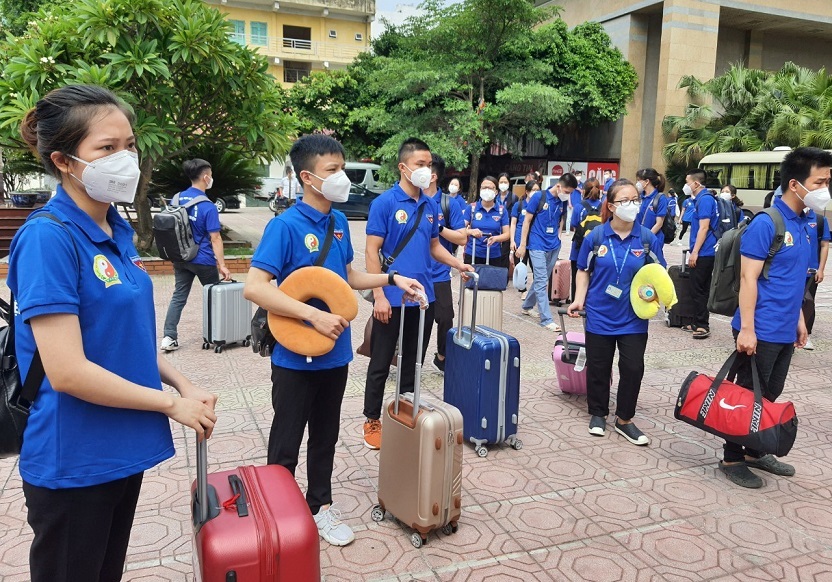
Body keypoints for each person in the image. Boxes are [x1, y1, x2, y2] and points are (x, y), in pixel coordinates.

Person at [10, 84, 218, 582]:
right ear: (64, 160)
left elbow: (125, 338)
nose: (125, 160)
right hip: (74, 456)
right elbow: (68, 371)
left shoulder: (114, 230)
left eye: (129, 145)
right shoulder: (48, 238)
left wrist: (182, 383)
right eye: (106, 149)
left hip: (121, 445)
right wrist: (171, 405)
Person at [244, 135, 423, 545]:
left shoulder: (338, 223)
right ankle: (279, 515)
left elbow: (348, 278)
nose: (342, 177)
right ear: (307, 177)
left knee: (325, 437)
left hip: (335, 354)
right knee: (286, 440)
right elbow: (254, 287)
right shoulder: (284, 226)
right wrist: (312, 315)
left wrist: (394, 279)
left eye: (342, 168)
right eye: (332, 171)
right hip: (294, 358)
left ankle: (320, 506)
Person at [721, 147, 832, 488]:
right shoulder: (767, 223)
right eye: (821, 181)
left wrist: (799, 317)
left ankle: (754, 448)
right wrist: (748, 330)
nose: (826, 188)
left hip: (785, 327)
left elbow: (795, 276)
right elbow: (748, 279)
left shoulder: (809, 223)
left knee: (769, 392)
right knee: (746, 395)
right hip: (760, 327)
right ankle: (732, 457)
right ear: (796, 184)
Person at [362, 138, 473, 450]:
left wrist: (458, 264)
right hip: (393, 297)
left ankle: (404, 407)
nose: (426, 170)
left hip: (422, 298)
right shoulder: (384, 204)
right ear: (403, 167)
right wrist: (380, 295)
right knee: (381, 361)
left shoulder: (431, 204)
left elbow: (435, 246)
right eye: (419, 165)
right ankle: (372, 418)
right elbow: (372, 251)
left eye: (429, 165)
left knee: (414, 361)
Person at [567, 179, 665, 446]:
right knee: (598, 367)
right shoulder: (596, 237)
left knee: (633, 368)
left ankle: (625, 420)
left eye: (635, 199)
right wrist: (578, 299)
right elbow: (583, 270)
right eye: (625, 201)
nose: (631, 205)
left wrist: (653, 294)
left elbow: (659, 275)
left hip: (633, 318)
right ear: (610, 205)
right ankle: (598, 413)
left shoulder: (647, 239)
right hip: (599, 314)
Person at [160, 158, 231, 351]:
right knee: (214, 296)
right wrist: (222, 265)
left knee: (179, 296)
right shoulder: (208, 206)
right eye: (211, 175)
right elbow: (215, 238)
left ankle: (169, 337)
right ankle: (219, 335)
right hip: (203, 259)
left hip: (180, 257)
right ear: (206, 177)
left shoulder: (175, 199)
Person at [516, 173, 576, 331]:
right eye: (567, 192)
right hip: (537, 245)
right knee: (542, 280)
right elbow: (527, 221)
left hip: (553, 245)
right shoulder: (539, 197)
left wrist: (559, 237)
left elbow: (560, 219)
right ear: (559, 186)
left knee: (541, 279)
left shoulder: (562, 201)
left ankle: (527, 306)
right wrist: (522, 245)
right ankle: (546, 319)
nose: (568, 196)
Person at [425, 154, 467, 372]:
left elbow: (461, 238)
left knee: (445, 318)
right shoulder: (411, 200)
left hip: (440, 272)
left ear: (433, 175)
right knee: (417, 323)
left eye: (423, 166)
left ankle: (442, 356)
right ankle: (410, 363)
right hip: (414, 273)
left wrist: (439, 229)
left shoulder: (448, 204)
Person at [685, 168, 718, 339]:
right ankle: (696, 320)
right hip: (705, 251)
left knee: (699, 289)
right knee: (698, 288)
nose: (686, 186)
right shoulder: (703, 199)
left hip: (704, 252)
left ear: (696, 183)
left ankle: (702, 325)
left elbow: (704, 227)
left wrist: (695, 252)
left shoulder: (705, 200)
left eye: (688, 182)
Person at [462, 176, 511, 269]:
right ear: (480, 189)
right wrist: (470, 232)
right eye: (484, 188)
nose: (487, 190)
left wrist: (496, 238)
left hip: (494, 255)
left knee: (491, 282)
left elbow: (507, 234)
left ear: (496, 191)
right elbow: (459, 229)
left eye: (490, 188)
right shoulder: (472, 208)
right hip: (473, 253)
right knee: (471, 282)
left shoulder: (501, 210)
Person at [569, 178, 603, 301]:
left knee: (577, 273)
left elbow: (574, 224)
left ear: (584, 191)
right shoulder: (603, 206)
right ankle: (592, 301)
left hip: (579, 247)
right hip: (598, 248)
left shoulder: (579, 207)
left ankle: (577, 301)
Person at [802, 207, 830, 350]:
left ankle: (806, 334)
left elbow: (824, 245)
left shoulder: (819, 220)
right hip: (794, 270)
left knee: (809, 301)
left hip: (811, 272)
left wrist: (821, 269)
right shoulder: (793, 217)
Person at [511, 180, 538, 299]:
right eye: (533, 190)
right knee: (521, 265)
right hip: (519, 239)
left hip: (534, 240)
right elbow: (513, 223)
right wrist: (512, 240)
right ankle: (523, 290)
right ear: (527, 191)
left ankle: (535, 290)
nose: (535, 193)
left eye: (538, 190)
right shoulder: (519, 205)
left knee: (535, 268)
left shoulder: (539, 205)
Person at [635, 168, 668, 263]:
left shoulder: (660, 198)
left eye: (638, 180)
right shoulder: (639, 197)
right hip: (637, 239)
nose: (637, 183)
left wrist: (646, 238)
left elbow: (659, 224)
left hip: (652, 239)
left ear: (646, 182)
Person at [497, 172, 517, 260]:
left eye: (505, 182)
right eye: (501, 182)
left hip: (507, 229)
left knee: (504, 256)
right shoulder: (493, 197)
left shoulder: (513, 198)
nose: (503, 184)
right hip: (496, 229)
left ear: (509, 183)